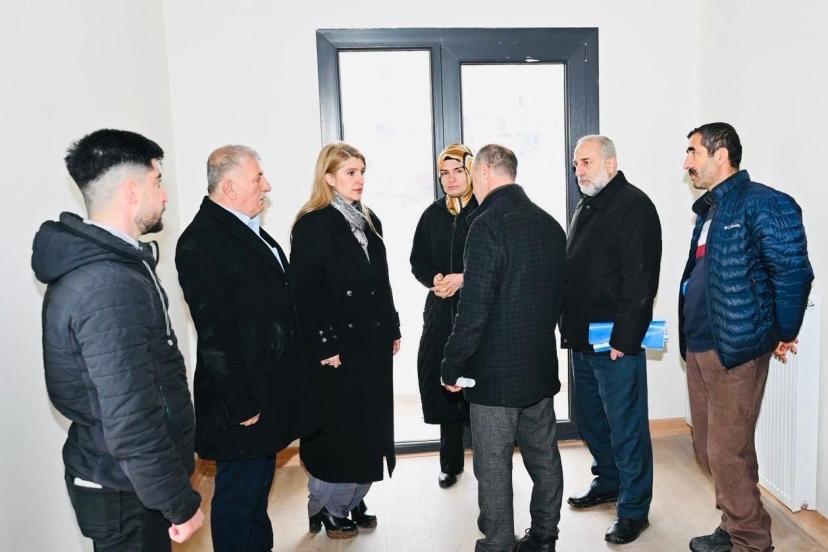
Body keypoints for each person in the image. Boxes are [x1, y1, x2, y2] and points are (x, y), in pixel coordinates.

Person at [32, 129, 204, 551]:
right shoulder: (107, 283)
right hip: (123, 489)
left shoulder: (116, 265)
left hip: (128, 480)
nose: (164, 196)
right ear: (131, 191)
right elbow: (131, 416)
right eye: (157, 182)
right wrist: (178, 503)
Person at [679, 122, 813, 552]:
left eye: (693, 152)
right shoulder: (710, 211)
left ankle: (751, 541)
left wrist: (785, 330)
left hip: (735, 351)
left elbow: (792, 271)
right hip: (699, 347)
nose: (687, 162)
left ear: (721, 155)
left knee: (726, 452)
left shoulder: (765, 203)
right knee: (710, 451)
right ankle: (737, 522)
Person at [176, 145, 307, 551]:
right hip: (240, 404)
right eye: (258, 178)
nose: (266, 186)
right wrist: (241, 405)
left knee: (255, 496)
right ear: (230, 187)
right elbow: (215, 333)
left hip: (263, 393)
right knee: (237, 502)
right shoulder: (201, 241)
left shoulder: (248, 230)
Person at [441, 144, 566, 552]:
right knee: (544, 458)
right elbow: (557, 299)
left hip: (493, 377)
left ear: (484, 173)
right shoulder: (550, 224)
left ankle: (497, 544)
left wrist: (451, 364)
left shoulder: (486, 225)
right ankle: (545, 537)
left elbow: (474, 310)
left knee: (493, 465)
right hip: (539, 369)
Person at [290, 142, 401, 540]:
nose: (359, 179)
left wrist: (392, 327)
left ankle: (352, 497)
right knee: (338, 430)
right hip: (337, 347)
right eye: (351, 172)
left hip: (371, 343)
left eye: (362, 171)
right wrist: (325, 347)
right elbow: (305, 294)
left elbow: (380, 281)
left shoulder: (368, 219)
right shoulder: (312, 223)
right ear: (329, 177)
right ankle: (327, 505)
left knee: (367, 426)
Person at [561, 135, 661, 545]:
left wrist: (625, 338)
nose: (579, 171)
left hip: (614, 341)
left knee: (626, 426)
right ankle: (608, 481)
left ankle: (634, 510)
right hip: (581, 337)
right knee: (590, 418)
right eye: (576, 164)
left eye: (585, 162)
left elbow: (641, 280)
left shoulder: (635, 206)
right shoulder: (587, 205)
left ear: (611, 163)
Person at [410, 143, 478, 489]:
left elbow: (497, 262)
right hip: (440, 312)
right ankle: (450, 463)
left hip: (476, 313)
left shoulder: (483, 211)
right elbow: (417, 260)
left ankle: (489, 465)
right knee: (444, 384)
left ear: (471, 171)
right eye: (444, 173)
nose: (451, 179)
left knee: (478, 390)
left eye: (458, 171)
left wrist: (463, 279)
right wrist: (435, 278)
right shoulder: (432, 214)